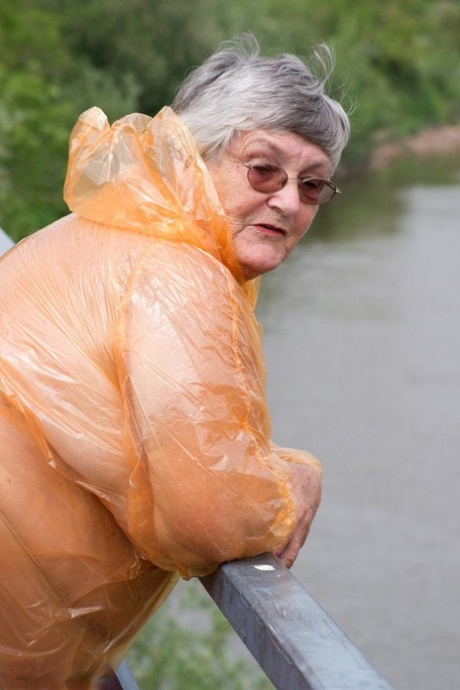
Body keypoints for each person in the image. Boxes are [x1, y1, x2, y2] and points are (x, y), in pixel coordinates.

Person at [0, 34, 350, 689]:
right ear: (200, 152)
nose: (288, 201)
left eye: (312, 185)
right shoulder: (180, 274)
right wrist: (292, 478)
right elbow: (209, 513)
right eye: (263, 170)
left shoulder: (118, 228)